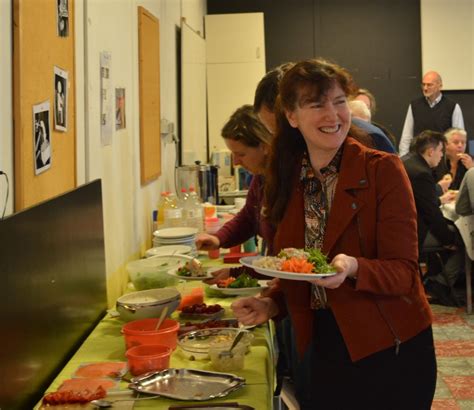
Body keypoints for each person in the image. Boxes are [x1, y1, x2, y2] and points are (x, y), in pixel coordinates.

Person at [232, 58, 436, 409]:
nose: (334, 114)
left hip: (389, 347)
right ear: (292, 117)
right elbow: (298, 268)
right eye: (317, 104)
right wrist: (272, 303)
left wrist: (353, 268)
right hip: (325, 342)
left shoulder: (382, 170)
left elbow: (404, 272)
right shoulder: (288, 177)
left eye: (339, 101)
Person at [195, 104, 274, 276]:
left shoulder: (288, 182)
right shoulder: (261, 176)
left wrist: (236, 273)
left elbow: (285, 261)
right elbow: (249, 217)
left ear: (265, 146)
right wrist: (218, 239)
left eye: (241, 154)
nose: (236, 162)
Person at [402, 130, 463, 306]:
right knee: (463, 239)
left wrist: (439, 196)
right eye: (441, 151)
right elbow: (432, 215)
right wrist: (448, 240)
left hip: (404, 227)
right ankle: (439, 284)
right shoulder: (421, 172)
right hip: (413, 233)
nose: (441, 155)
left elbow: (423, 200)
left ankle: (431, 279)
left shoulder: (408, 161)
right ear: (430, 151)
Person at [399, 71, 464, 156]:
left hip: (442, 158)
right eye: (423, 84)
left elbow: (459, 138)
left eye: (429, 85)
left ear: (440, 86)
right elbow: (407, 135)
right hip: (419, 157)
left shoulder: (452, 107)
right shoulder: (414, 105)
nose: (425, 88)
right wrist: (403, 158)